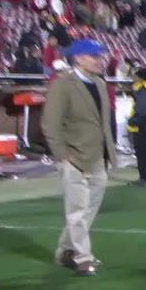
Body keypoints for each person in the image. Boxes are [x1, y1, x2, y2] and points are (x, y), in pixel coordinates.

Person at [41, 39, 116, 277]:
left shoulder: (100, 84)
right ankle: (83, 257)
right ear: (79, 58)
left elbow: (103, 122)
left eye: (100, 56)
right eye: (94, 56)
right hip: (75, 157)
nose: (100, 60)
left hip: (98, 156)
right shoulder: (62, 84)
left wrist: (109, 153)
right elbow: (51, 123)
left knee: (87, 210)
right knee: (77, 211)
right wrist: (63, 156)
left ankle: (65, 251)